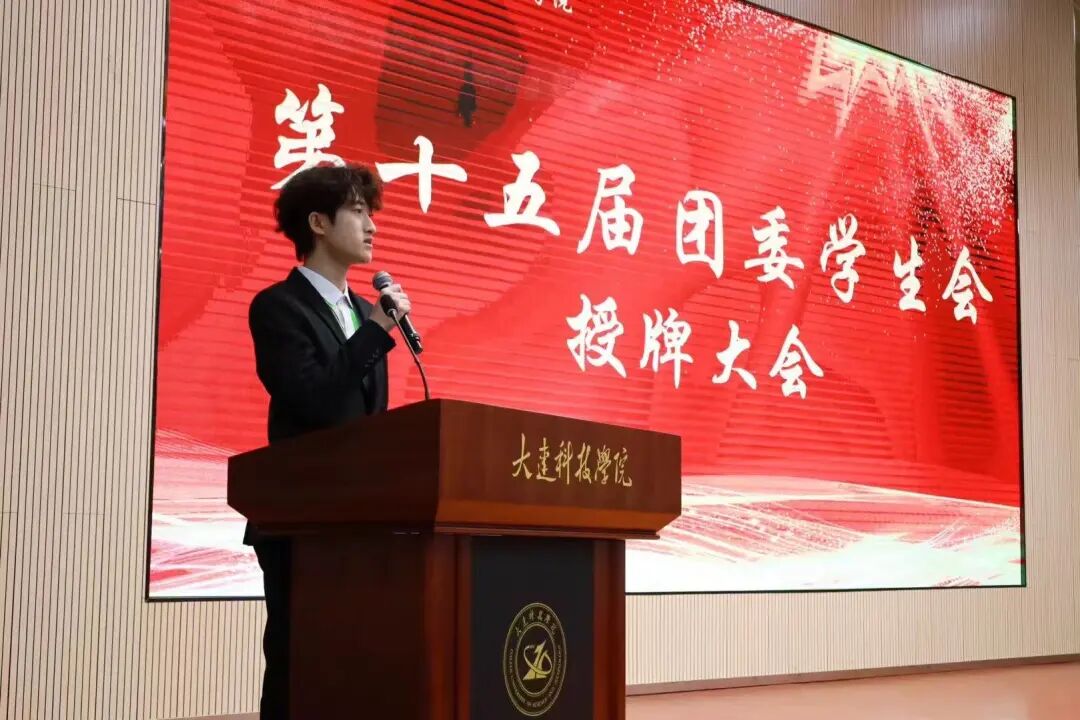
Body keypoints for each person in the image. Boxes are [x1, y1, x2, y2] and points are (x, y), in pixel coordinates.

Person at [244, 162, 410, 719]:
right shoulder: (278, 307)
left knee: (353, 661)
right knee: (298, 658)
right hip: (300, 518)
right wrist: (376, 332)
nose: (372, 226)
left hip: (360, 520)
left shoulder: (364, 312)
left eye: (371, 213)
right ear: (317, 222)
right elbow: (312, 398)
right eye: (358, 212)